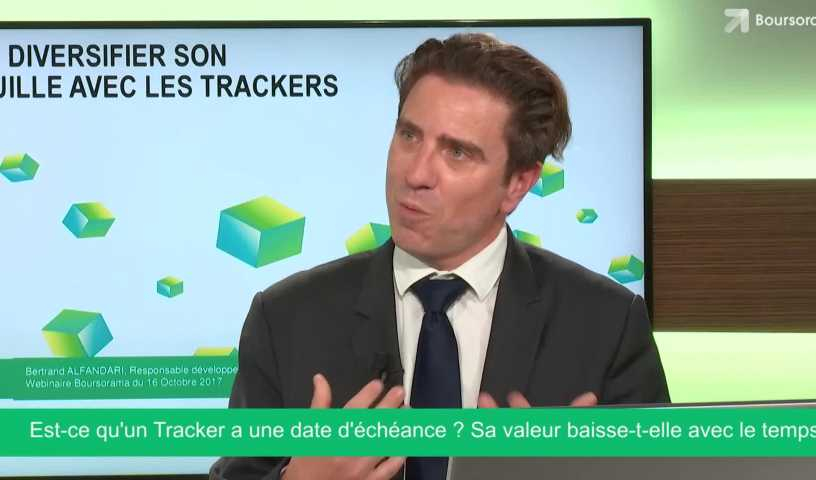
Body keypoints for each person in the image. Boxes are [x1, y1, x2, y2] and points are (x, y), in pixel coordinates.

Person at [210, 32, 669, 480]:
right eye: (409, 136)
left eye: (458, 152)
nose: (416, 173)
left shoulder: (606, 324)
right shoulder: (286, 317)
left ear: (518, 184)